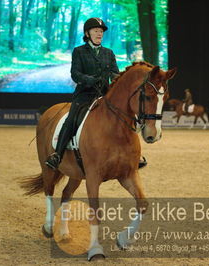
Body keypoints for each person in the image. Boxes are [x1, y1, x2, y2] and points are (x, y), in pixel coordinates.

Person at [45, 17, 147, 170]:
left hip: (105, 96)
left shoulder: (109, 53)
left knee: (128, 116)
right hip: (84, 95)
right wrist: (89, 80)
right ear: (87, 33)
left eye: (101, 31)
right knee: (72, 119)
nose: (99, 34)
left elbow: (114, 73)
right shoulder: (79, 51)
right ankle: (57, 155)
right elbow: (75, 73)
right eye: (96, 31)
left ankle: (134, 154)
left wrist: (118, 80)